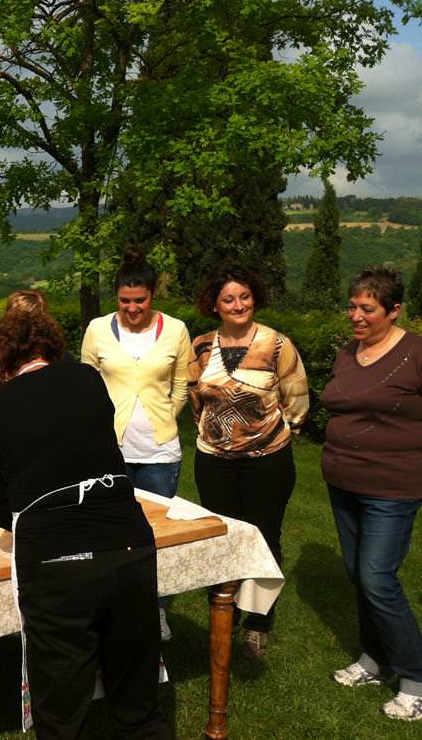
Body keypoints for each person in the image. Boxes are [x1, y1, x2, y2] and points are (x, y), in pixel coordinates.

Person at [0, 310, 170, 740]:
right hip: (128, 545)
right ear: (52, 347)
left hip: (55, 560)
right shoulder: (86, 379)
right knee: (137, 702)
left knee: (62, 710)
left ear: (2, 362)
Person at [188, 263, 308, 659]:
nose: (238, 304)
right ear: (216, 305)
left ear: (254, 298)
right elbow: (195, 398)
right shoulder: (202, 346)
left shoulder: (276, 344)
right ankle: (225, 617)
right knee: (222, 540)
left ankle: (258, 623)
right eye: (228, 299)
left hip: (267, 461)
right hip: (214, 462)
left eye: (244, 296)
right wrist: (219, 434)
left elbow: (296, 398)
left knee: (264, 538)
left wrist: (266, 433)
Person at [320, 266, 422, 721]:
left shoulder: (415, 353)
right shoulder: (348, 352)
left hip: (392, 487)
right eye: (353, 306)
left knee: (379, 579)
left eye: (368, 309)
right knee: (359, 575)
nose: (356, 316)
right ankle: (373, 659)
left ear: (395, 310)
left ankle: (416, 681)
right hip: (343, 481)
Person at [80, 249, 191, 639]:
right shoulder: (96, 329)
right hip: (110, 451)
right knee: (108, 533)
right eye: (125, 301)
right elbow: (87, 384)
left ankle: (155, 608)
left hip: (160, 452)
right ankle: (111, 605)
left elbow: (181, 384)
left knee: (156, 535)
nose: (132, 309)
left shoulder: (176, 330)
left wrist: (165, 415)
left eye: (139, 301)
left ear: (152, 296)